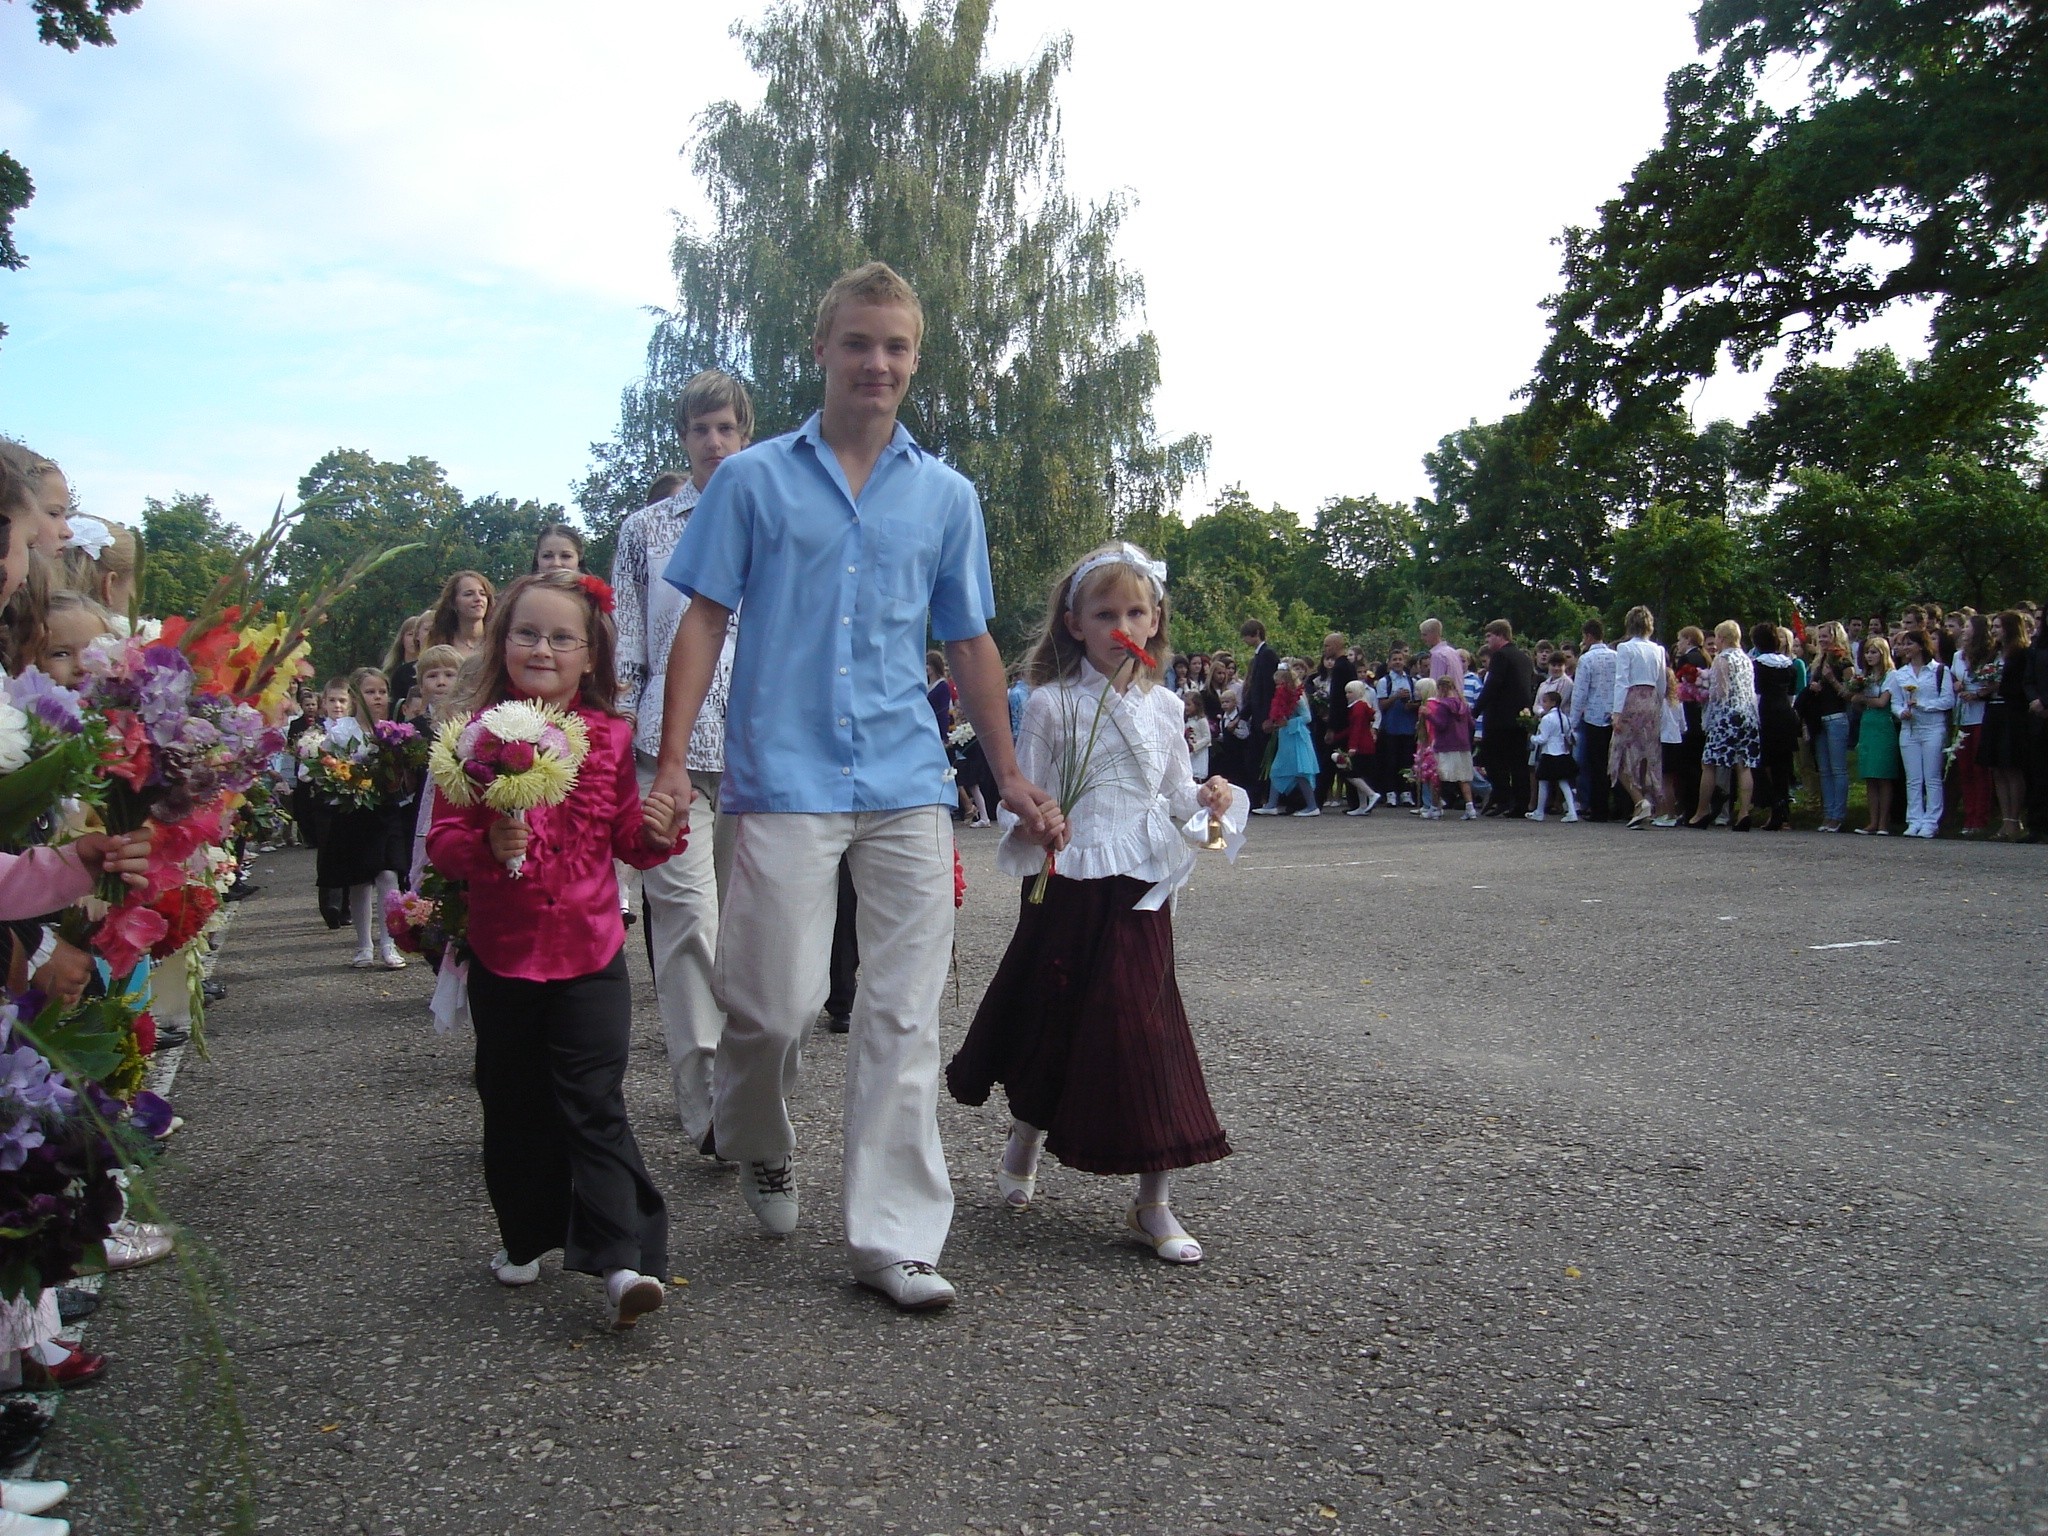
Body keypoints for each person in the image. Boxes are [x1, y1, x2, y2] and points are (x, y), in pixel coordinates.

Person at [650, 261, 1061, 1313]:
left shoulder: (944, 495)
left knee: (900, 1011)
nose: (876, 363)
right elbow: (699, 618)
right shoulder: (751, 481)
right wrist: (665, 762)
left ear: (913, 360)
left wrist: (1006, 771)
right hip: (782, 777)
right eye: (857, 343)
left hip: (904, 777)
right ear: (821, 349)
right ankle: (757, 1139)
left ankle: (894, 1238)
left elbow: (965, 639)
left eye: (895, 347)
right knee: (773, 1005)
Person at [946, 540, 1242, 1264]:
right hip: (1068, 882)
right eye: (1104, 612)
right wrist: (1039, 818)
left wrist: (1206, 800)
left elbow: (1174, 794)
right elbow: (1031, 789)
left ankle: (1153, 1199)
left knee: (1145, 1026)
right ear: (1074, 623)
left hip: (1140, 885)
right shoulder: (1049, 704)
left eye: (1135, 612)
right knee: (1055, 1019)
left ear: (1154, 620)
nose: (1122, 625)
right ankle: (1026, 1135)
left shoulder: (1168, 704)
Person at [425, 570, 682, 1327]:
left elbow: (629, 839)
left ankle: (622, 1260)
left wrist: (662, 831)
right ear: (502, 643)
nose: (543, 648)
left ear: (590, 656)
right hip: (504, 951)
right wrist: (484, 840)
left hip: (591, 947)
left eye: (561, 637)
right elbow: (441, 843)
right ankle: (527, 1233)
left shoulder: (609, 737)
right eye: (527, 633)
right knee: (512, 1101)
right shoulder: (470, 737)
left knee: (593, 1100)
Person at [611, 369, 752, 1156]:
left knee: (748, 927)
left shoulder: (774, 518)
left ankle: (746, 1078)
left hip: (759, 753)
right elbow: (630, 642)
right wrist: (619, 733)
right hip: (666, 756)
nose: (713, 440)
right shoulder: (645, 531)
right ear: (684, 437)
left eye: (726, 426)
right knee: (687, 921)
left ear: (745, 433)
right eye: (700, 428)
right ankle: (705, 1107)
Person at [1886, 628, 1954, 838]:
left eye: (1910, 644)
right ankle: (1914, 819)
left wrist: (1922, 705)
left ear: (1922, 646)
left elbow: (1948, 700)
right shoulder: (1900, 674)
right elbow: (1895, 702)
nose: (1905, 648)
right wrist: (1901, 711)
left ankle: (1931, 821)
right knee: (1913, 778)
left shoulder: (1939, 671)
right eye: (1904, 644)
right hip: (1909, 730)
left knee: (1932, 777)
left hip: (1933, 728)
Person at [1693, 619, 1760, 829]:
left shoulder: (1722, 659)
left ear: (1721, 638)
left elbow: (1720, 692)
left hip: (1727, 717)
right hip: (1748, 715)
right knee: (1743, 764)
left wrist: (1703, 694)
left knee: (1709, 763)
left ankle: (1702, 811)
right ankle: (1744, 812)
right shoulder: (1746, 659)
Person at [1608, 606, 1668, 828]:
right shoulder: (1658, 650)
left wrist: (1616, 712)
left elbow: (1622, 680)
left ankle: (1639, 800)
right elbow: (1662, 682)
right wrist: (1658, 707)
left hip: (1631, 700)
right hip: (1651, 700)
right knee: (1646, 755)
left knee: (1619, 754)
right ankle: (1645, 804)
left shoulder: (1625, 648)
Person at [1799, 621, 1857, 832]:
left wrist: (1832, 680)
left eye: (1826, 636)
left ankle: (1838, 815)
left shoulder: (1844, 661)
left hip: (1837, 717)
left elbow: (1850, 695)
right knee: (1823, 770)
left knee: (1838, 769)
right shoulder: (1818, 661)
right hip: (1819, 719)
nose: (1823, 641)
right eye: (1820, 637)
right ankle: (1828, 813)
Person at [1475, 620, 1534, 816]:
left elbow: (1492, 686)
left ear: (1500, 635)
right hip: (1520, 718)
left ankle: (1504, 798)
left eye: (1489, 636)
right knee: (1518, 763)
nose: (1488, 640)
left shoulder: (1500, 656)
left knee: (1491, 760)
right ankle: (1520, 803)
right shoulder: (1524, 658)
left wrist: (1475, 711)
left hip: (1500, 718)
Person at [1983, 610, 2032, 841]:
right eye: (1993, 627)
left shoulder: (2021, 653)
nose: (1994, 631)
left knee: (2011, 766)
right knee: (1997, 768)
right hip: (1993, 712)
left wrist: (1998, 686)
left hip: (2012, 713)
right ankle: (2005, 820)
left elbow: (2022, 685)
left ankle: (2015, 819)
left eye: (1998, 627)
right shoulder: (1994, 653)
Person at [1750, 623, 1801, 830]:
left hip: (1766, 715)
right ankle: (1782, 813)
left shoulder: (1757, 666)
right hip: (1786, 715)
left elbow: (1755, 695)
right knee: (1782, 765)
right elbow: (1791, 696)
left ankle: (1775, 808)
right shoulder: (1789, 666)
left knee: (1766, 765)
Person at [1950, 614, 1996, 836]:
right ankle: (1968, 816)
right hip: (1962, 718)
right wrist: (1956, 686)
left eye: (1968, 626)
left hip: (1981, 716)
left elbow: (1991, 682)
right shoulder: (1958, 656)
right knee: (1965, 768)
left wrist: (1977, 693)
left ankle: (1981, 817)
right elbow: (1952, 680)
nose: (1965, 630)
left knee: (1980, 769)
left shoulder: (1988, 655)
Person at [1851, 636, 1902, 835]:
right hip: (1868, 724)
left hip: (1883, 724)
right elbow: (1857, 702)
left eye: (1873, 652)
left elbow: (1882, 702)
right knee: (1870, 776)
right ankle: (1872, 821)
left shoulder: (1891, 675)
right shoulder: (1865, 676)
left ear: (1883, 653)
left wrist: (1862, 698)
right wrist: (1855, 696)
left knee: (1883, 775)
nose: (1869, 656)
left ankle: (1883, 822)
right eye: (1867, 652)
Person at [1254, 661, 1318, 816]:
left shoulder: (1297, 697)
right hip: (1286, 736)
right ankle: (1271, 804)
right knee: (1277, 769)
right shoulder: (1284, 696)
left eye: (1279, 683)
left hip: (1296, 736)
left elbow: (1307, 717)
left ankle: (1312, 806)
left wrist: (1288, 722)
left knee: (1300, 772)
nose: (1277, 687)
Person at [1570, 619, 1618, 821]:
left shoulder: (1587, 659)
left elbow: (1580, 692)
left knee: (1596, 764)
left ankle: (1598, 808)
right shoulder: (1616, 657)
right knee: (1614, 762)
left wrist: (1572, 721)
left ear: (1588, 636)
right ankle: (1617, 805)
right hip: (1615, 714)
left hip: (1594, 715)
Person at [1419, 675, 1477, 819]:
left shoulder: (1443, 705)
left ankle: (1434, 807)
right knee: (1463, 778)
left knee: (1437, 777)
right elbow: (1472, 724)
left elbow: (1441, 725)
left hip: (1445, 745)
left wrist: (1428, 715)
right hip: (1463, 745)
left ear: (1441, 688)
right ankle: (1470, 808)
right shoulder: (1464, 704)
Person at [1238, 620, 1279, 805]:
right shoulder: (1259, 656)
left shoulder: (1267, 655)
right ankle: (1257, 797)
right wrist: (1243, 716)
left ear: (1255, 633)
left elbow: (1268, 689)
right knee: (1253, 759)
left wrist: (1270, 717)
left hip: (1264, 717)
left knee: (1261, 758)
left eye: (1246, 636)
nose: (1245, 640)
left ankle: (1262, 797)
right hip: (1257, 715)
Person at [1315, 633, 1358, 808]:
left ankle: (1317, 801)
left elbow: (1338, 699)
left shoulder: (1341, 668)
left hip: (1340, 723)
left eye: (1327, 646)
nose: (1325, 650)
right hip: (1345, 721)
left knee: (1332, 761)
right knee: (1339, 762)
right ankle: (1354, 801)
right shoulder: (1347, 666)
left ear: (1336, 645)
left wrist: (1331, 727)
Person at [1525, 692, 1579, 822]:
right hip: (1562, 752)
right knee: (1563, 782)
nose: (1543, 704)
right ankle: (1572, 811)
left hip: (1549, 753)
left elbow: (1543, 738)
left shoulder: (1547, 719)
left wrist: (1531, 737)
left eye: (1545, 701)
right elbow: (1567, 735)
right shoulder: (1564, 717)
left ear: (1553, 703)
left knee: (1543, 781)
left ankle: (1539, 811)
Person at [1375, 646, 1418, 804]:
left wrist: (1409, 704)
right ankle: (1390, 792)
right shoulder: (1384, 682)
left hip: (1408, 726)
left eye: (1400, 659)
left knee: (1406, 760)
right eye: (1395, 659)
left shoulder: (1412, 681)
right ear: (1389, 662)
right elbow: (1382, 705)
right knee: (1391, 761)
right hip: (1391, 727)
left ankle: (1406, 791)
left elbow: (1417, 703)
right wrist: (1396, 696)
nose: (1398, 662)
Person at [424, 570, 494, 661]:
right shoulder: (440, 644)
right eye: (469, 594)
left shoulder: (499, 642)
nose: (478, 599)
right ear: (453, 602)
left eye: (482, 594)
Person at [1338, 679, 1380, 815]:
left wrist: (1353, 746)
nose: (1347, 695)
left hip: (1361, 745)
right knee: (1359, 775)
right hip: (1364, 744)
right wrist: (1338, 736)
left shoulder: (1358, 708)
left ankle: (1371, 794)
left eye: (1350, 692)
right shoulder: (1361, 707)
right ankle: (1362, 805)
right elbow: (1353, 728)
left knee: (1351, 774)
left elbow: (1356, 728)